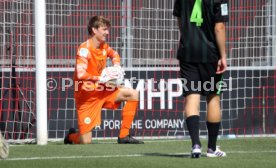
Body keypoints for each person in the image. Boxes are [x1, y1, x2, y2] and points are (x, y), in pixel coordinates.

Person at [64, 16, 144, 144]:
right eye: (104, 29)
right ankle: (70, 137)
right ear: (94, 30)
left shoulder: (104, 46)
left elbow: (115, 54)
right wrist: (100, 78)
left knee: (133, 93)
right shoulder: (84, 49)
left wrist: (117, 65)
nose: (107, 32)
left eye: (107, 29)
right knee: (86, 142)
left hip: (103, 90)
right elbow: (80, 74)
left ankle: (124, 135)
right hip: (87, 98)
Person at [173, 0, 229, 158]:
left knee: (191, 98)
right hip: (210, 55)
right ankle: (211, 148)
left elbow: (179, 21)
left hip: (187, 52)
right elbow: (220, 27)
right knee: (213, 97)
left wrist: (188, 39)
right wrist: (223, 56)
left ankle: (195, 145)